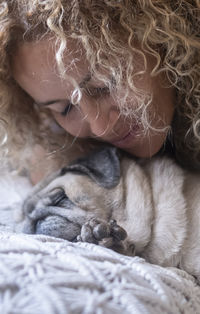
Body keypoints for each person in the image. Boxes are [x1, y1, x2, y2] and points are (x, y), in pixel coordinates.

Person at [0, 0, 199, 184]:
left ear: (161, 36)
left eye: (104, 86)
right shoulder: (60, 149)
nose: (100, 128)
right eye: (66, 109)